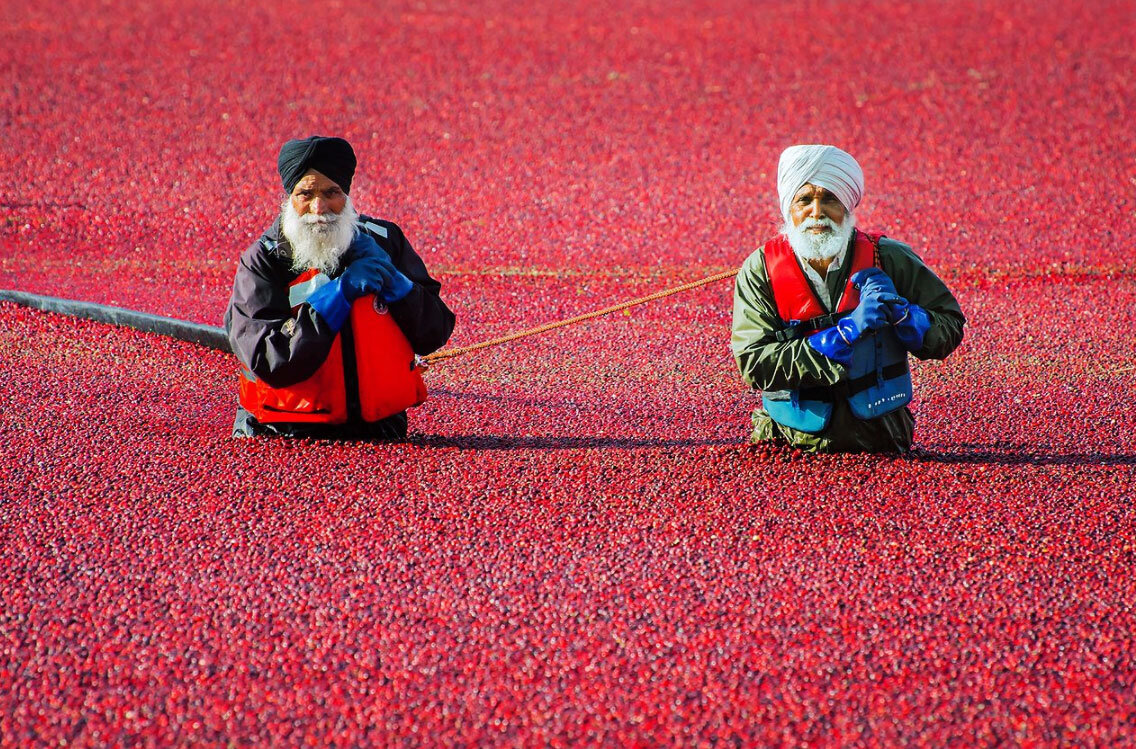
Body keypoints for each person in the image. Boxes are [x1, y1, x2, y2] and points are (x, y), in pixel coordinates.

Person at [730, 144, 965, 452]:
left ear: (847, 205)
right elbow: (754, 363)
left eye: (829, 198)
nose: (817, 212)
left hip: (881, 437)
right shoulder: (760, 270)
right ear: (790, 208)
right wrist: (841, 335)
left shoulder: (889, 258)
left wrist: (908, 317)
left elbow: (950, 325)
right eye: (804, 200)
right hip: (787, 440)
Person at [224, 136, 455, 439]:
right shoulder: (263, 260)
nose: (319, 208)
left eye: (331, 192)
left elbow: (434, 333)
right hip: (281, 432)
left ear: (346, 195)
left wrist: (401, 288)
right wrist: (337, 296)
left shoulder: (385, 241)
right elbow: (269, 360)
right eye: (305, 194)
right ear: (289, 198)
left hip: (379, 431)